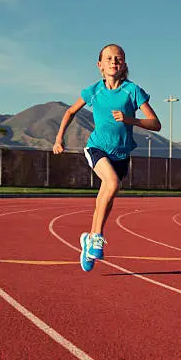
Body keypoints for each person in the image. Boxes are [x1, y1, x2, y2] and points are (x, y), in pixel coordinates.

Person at [52, 43, 162, 272]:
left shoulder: (132, 91)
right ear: (100, 65)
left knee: (108, 195)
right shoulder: (93, 91)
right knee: (111, 183)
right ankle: (97, 236)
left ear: (124, 65)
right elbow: (70, 111)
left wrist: (130, 119)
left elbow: (155, 123)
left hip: (121, 154)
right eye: (109, 58)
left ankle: (89, 238)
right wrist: (59, 138)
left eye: (118, 58)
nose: (114, 61)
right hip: (97, 148)